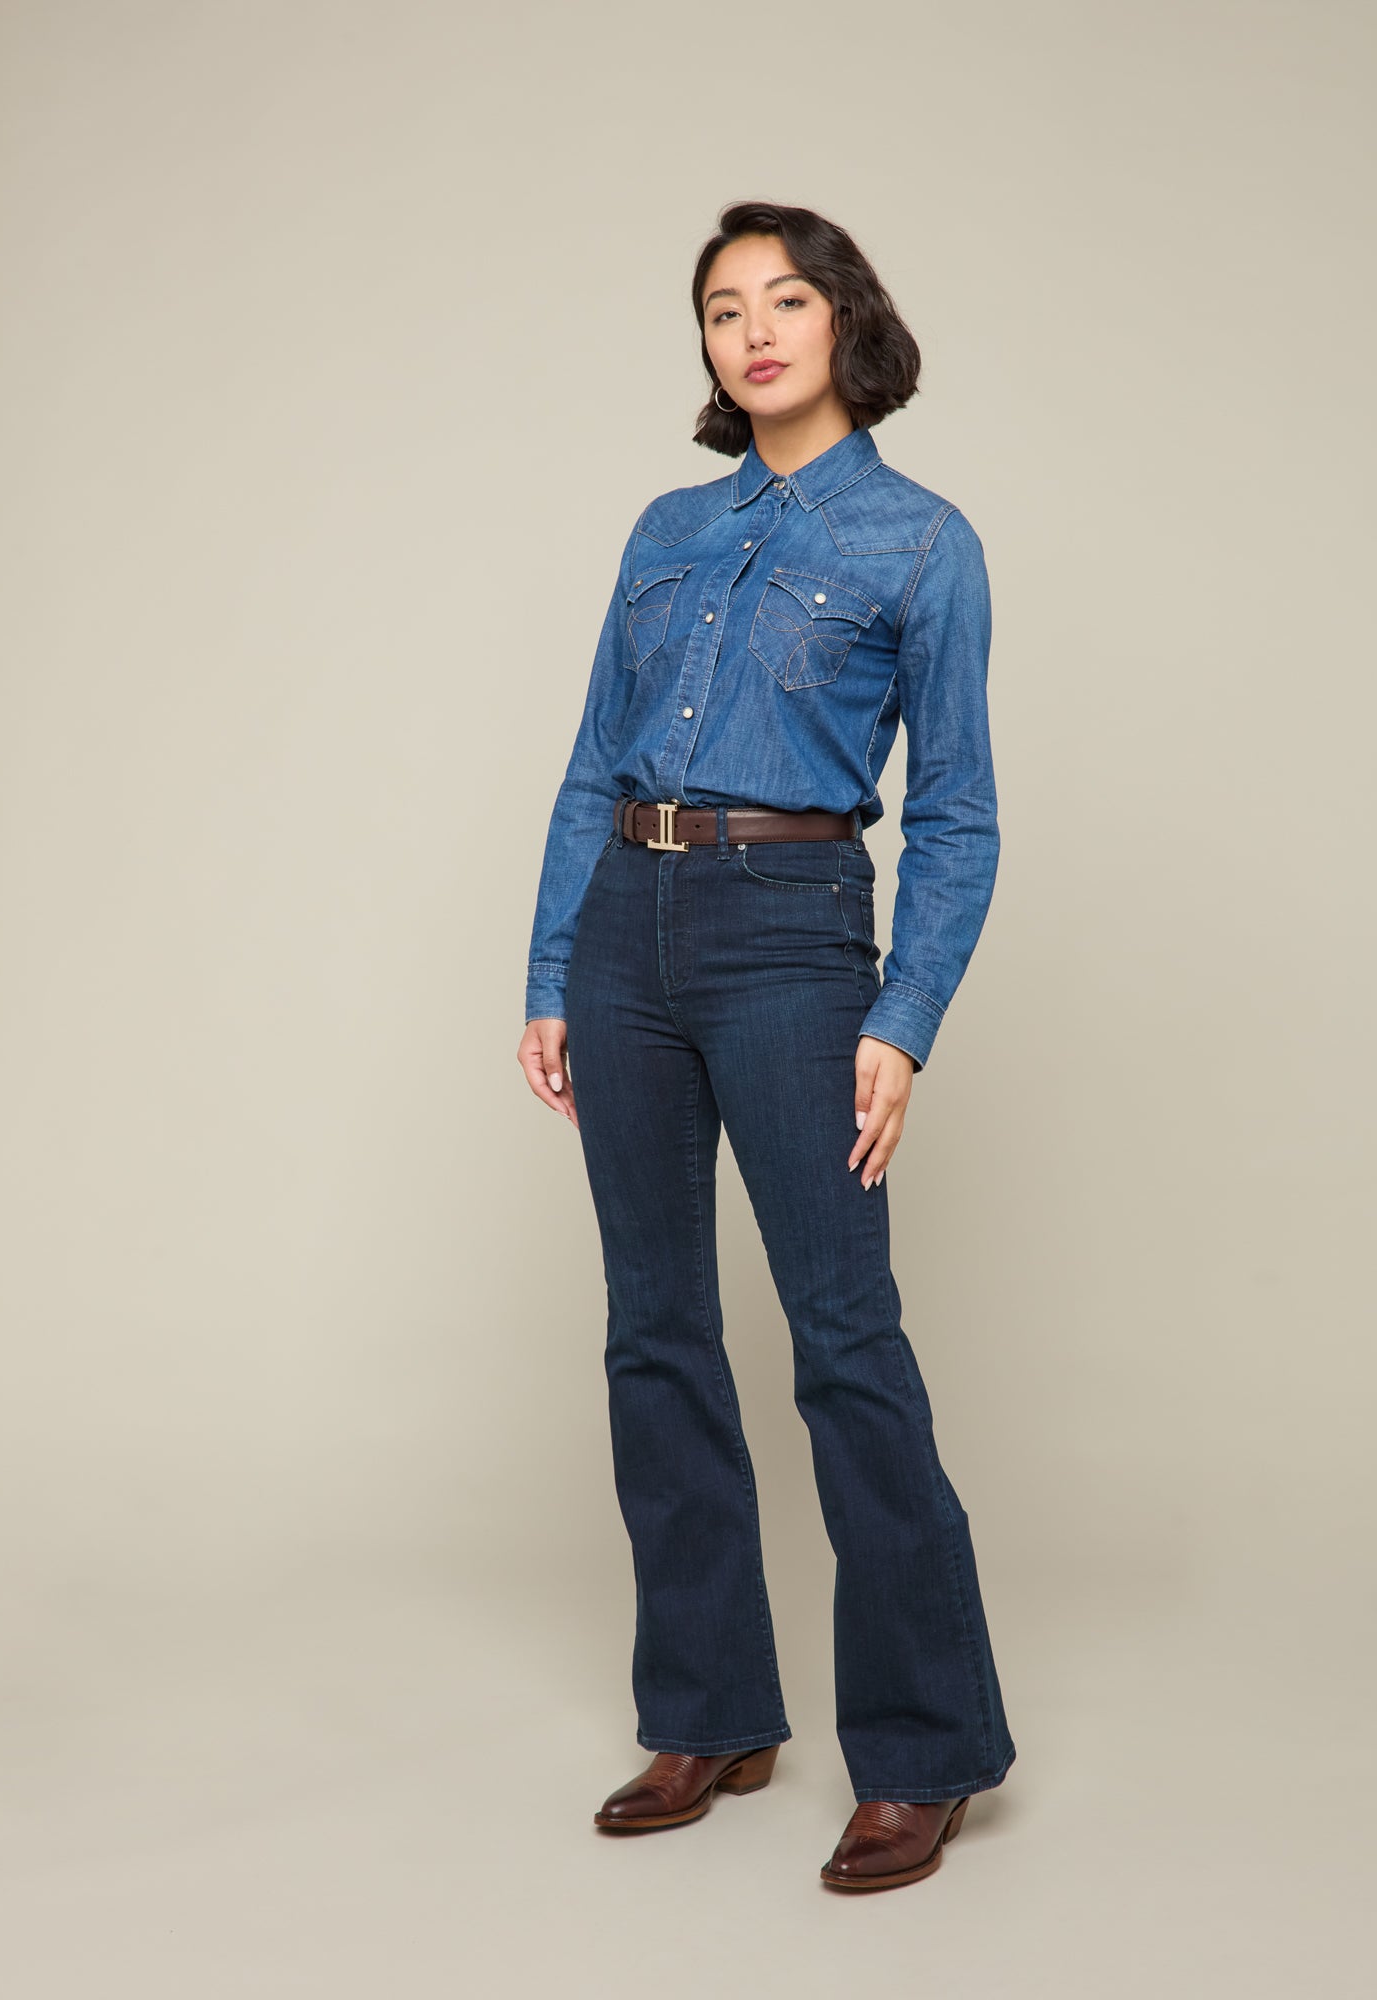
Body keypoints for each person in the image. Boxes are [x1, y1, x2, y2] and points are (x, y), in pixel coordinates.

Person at [518, 200, 1016, 1893]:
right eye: (723, 308)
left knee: (842, 1339)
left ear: (843, 320)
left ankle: (926, 1748)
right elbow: (592, 762)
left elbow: (957, 815)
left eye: (784, 299)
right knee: (653, 1331)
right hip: (626, 931)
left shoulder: (921, 543)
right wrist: (550, 968)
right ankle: (709, 1712)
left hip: (794, 938)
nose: (753, 330)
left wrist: (904, 1018)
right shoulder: (666, 528)